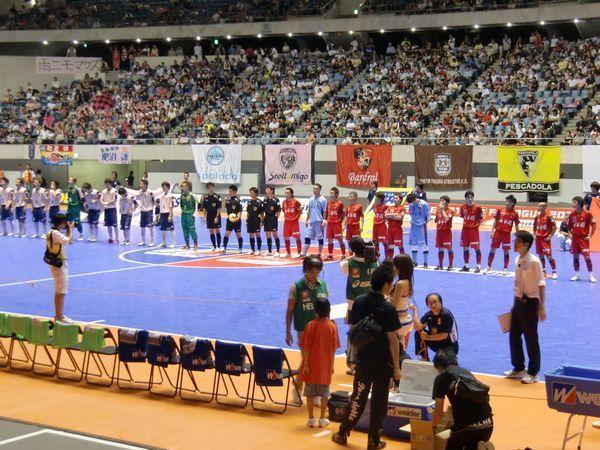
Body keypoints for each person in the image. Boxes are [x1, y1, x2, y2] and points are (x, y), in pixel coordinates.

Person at [332, 263, 401, 450]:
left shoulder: (359, 301)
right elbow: (393, 340)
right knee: (379, 402)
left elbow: (353, 329)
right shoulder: (388, 308)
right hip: (383, 364)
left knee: (358, 397)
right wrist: (396, 368)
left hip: (363, 360)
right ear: (386, 285)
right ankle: (373, 441)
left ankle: (343, 432)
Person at [505, 230, 546, 384]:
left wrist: (541, 307)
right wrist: (515, 302)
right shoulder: (517, 259)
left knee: (531, 338)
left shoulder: (535, 262)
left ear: (526, 244)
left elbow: (541, 284)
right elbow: (518, 282)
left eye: (517, 241)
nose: (514, 243)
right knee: (514, 335)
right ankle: (519, 368)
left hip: (530, 303)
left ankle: (533, 373)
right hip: (518, 302)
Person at [286, 256, 329, 400]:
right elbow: (290, 311)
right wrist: (288, 331)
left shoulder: (323, 285)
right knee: (307, 360)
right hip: (303, 330)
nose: (315, 275)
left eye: (317, 272)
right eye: (312, 272)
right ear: (306, 270)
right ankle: (298, 387)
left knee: (316, 361)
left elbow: (326, 308)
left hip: (320, 330)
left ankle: (314, 391)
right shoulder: (296, 287)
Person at [432, 350, 494, 449]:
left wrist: (434, 428)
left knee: (450, 444)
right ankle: (479, 447)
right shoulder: (466, 372)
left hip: (467, 430)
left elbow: (438, 410)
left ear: (438, 366)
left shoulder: (441, 378)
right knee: (469, 443)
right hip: (488, 425)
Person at [299, 298, 340, 428]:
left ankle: (311, 418)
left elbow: (306, 347)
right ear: (329, 310)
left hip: (311, 365)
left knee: (310, 393)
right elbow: (333, 349)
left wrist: (306, 364)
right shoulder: (332, 327)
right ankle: (322, 418)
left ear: (315, 310)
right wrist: (331, 365)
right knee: (324, 393)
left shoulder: (310, 325)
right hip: (325, 366)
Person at [340, 237, 378, 374]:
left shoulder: (348, 264)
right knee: (370, 332)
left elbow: (342, 264)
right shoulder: (375, 262)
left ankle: (354, 364)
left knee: (354, 334)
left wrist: (352, 255)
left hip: (353, 305)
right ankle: (370, 362)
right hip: (371, 304)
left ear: (352, 249)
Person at [411, 293, 459, 360]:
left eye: (435, 302)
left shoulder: (445, 315)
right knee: (418, 333)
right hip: (437, 342)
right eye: (430, 303)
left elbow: (444, 335)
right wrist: (415, 311)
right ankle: (424, 357)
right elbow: (417, 327)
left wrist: (427, 337)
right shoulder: (429, 314)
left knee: (438, 362)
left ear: (440, 303)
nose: (433, 305)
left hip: (449, 346)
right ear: (427, 305)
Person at [46, 213, 74, 322]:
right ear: (62, 223)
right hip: (59, 265)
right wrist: (71, 229)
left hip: (56, 263)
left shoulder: (51, 232)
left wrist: (68, 230)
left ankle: (58, 315)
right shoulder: (56, 233)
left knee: (59, 291)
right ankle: (59, 316)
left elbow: (67, 241)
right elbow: (69, 241)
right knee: (61, 292)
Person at [484, 195, 520, 275]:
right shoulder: (500, 210)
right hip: (497, 233)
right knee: (492, 249)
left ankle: (505, 268)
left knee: (506, 251)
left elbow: (517, 225)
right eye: (506, 201)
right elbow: (495, 221)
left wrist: (518, 236)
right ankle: (488, 266)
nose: (507, 203)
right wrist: (492, 231)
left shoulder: (515, 214)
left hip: (506, 235)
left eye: (509, 202)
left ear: (513, 203)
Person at [567, 196, 596, 282]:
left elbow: (594, 225)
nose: (573, 204)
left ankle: (591, 275)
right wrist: (569, 234)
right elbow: (569, 226)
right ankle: (577, 275)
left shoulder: (587, 214)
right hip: (575, 240)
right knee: (575, 257)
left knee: (587, 258)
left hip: (583, 240)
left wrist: (590, 236)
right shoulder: (572, 214)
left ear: (580, 204)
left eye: (574, 202)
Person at [392, 254, 414, 350]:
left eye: (394, 265)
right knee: (401, 350)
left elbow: (394, 306)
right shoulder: (407, 281)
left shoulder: (400, 284)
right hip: (405, 320)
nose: (393, 268)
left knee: (395, 351)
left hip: (399, 321)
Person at [301, 184, 327, 257]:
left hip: (319, 221)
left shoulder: (323, 200)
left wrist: (324, 220)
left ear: (320, 190)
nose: (315, 190)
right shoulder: (311, 199)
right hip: (311, 222)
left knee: (320, 238)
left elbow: (325, 211)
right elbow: (309, 210)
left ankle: (319, 253)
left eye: (316, 189)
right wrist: (307, 220)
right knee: (307, 237)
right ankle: (303, 253)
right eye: (314, 189)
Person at [460, 191, 483, 273]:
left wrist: (476, 227)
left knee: (476, 248)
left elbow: (481, 219)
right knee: (465, 247)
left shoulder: (478, 207)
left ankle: (478, 266)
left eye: (471, 197)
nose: (470, 199)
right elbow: (463, 217)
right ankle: (466, 266)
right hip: (465, 230)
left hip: (473, 230)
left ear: (473, 198)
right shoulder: (462, 207)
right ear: (465, 198)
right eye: (468, 197)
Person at [533, 202, 557, 279]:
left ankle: (554, 272)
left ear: (545, 207)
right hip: (538, 239)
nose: (538, 208)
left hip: (545, 239)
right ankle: (543, 272)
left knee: (549, 256)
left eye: (540, 206)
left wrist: (550, 236)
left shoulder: (549, 217)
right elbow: (534, 227)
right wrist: (534, 235)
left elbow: (554, 227)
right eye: (538, 206)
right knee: (540, 255)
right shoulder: (537, 217)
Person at [406, 193, 430, 268]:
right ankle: (414, 262)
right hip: (413, 225)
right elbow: (411, 213)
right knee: (414, 244)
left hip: (421, 226)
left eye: (411, 202)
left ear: (415, 199)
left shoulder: (424, 204)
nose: (410, 204)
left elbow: (428, 215)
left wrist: (424, 221)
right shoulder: (411, 204)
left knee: (423, 244)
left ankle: (425, 263)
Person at [201, 182, 222, 252]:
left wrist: (217, 217)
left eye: (212, 187)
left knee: (217, 230)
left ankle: (218, 246)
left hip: (215, 215)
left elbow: (219, 208)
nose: (211, 189)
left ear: (213, 187)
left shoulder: (217, 196)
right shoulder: (205, 197)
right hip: (209, 216)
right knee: (211, 231)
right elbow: (204, 208)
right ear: (207, 188)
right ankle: (214, 246)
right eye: (209, 188)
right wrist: (204, 217)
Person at [222, 185, 243, 253]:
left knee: (238, 235)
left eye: (230, 191)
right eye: (229, 191)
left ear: (235, 191)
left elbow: (240, 211)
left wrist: (237, 218)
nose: (229, 193)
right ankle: (224, 247)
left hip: (236, 221)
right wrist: (225, 200)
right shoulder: (228, 200)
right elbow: (223, 206)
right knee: (227, 234)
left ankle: (240, 248)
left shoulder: (238, 201)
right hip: (229, 220)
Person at [326, 187, 345, 260]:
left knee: (340, 240)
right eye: (330, 193)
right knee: (329, 240)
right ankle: (330, 255)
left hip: (337, 224)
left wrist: (341, 222)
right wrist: (325, 220)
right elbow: (326, 213)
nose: (331, 194)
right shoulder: (328, 203)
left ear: (336, 194)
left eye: (332, 193)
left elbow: (343, 214)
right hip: (329, 224)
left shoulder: (340, 203)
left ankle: (343, 255)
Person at [435, 195, 454, 271]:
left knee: (449, 248)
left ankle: (450, 265)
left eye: (443, 201)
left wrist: (442, 210)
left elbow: (447, 219)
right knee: (440, 249)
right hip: (439, 232)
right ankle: (440, 265)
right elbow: (436, 220)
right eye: (440, 200)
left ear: (447, 203)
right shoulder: (437, 211)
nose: (441, 202)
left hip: (446, 232)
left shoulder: (450, 211)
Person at [282, 187, 302, 258]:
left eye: (287, 193)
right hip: (286, 222)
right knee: (286, 237)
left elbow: (300, 211)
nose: (286, 194)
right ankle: (288, 253)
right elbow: (284, 210)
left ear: (291, 194)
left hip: (294, 222)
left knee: (297, 237)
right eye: (285, 193)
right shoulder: (284, 202)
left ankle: (299, 252)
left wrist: (297, 218)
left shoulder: (296, 202)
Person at [384, 192, 405, 259]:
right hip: (390, 229)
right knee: (390, 246)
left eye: (396, 198)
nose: (394, 199)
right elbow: (385, 216)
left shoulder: (402, 208)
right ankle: (390, 260)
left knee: (400, 246)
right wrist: (394, 214)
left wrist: (390, 216)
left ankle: (403, 259)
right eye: (394, 198)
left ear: (400, 199)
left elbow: (399, 218)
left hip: (397, 229)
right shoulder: (390, 207)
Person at [263, 185, 282, 257]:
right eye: (266, 189)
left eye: (268, 189)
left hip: (273, 218)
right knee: (268, 235)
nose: (266, 191)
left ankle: (278, 251)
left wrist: (276, 218)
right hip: (266, 218)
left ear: (271, 191)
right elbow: (263, 210)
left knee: (275, 235)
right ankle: (269, 251)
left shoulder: (276, 200)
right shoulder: (265, 199)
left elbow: (279, 210)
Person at [136, 179, 155, 247]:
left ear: (145, 185)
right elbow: (139, 200)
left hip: (149, 211)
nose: (140, 185)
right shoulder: (139, 191)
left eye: (141, 184)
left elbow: (153, 201)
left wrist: (150, 208)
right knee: (142, 226)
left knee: (150, 226)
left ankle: (152, 241)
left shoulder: (150, 192)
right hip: (142, 211)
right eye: (140, 184)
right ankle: (143, 241)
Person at [179, 181, 198, 251]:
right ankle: (187, 245)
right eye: (181, 186)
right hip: (183, 215)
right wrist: (182, 211)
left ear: (187, 187)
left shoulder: (192, 195)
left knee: (192, 230)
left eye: (183, 186)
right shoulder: (182, 195)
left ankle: (195, 244)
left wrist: (194, 213)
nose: (182, 188)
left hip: (190, 215)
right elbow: (181, 205)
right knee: (185, 229)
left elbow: (198, 204)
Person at [100, 178, 119, 244]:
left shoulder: (115, 191)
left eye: (108, 184)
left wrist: (107, 203)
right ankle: (111, 238)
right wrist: (103, 204)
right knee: (108, 225)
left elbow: (115, 200)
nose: (107, 186)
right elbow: (101, 199)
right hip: (106, 210)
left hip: (112, 209)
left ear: (111, 184)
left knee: (115, 224)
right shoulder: (104, 191)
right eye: (106, 184)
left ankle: (117, 238)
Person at [246, 187, 263, 255]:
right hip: (250, 220)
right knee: (251, 235)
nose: (250, 194)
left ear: (255, 193)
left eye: (252, 192)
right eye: (250, 192)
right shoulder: (249, 202)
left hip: (257, 220)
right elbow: (248, 212)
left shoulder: (259, 202)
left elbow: (262, 213)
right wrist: (247, 221)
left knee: (257, 234)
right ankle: (252, 249)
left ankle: (259, 250)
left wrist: (262, 222)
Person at [66, 177, 84, 242]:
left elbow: (82, 198)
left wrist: (82, 207)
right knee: (69, 221)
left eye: (70, 180)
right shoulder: (68, 188)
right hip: (70, 206)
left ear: (74, 182)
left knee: (77, 221)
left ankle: (81, 235)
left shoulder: (77, 189)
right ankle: (70, 235)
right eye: (69, 179)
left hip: (76, 207)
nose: (69, 181)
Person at [158, 181, 175, 248]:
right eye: (162, 187)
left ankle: (173, 243)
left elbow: (171, 206)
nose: (163, 188)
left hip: (168, 213)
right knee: (163, 229)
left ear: (168, 187)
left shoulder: (170, 196)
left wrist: (170, 215)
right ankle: (164, 242)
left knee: (171, 229)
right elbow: (161, 206)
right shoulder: (162, 196)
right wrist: (159, 215)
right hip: (162, 214)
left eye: (164, 187)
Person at [372, 192, 388, 258]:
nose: (375, 199)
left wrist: (385, 218)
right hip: (375, 225)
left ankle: (387, 257)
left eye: (377, 198)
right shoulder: (374, 206)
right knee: (375, 242)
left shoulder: (386, 206)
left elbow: (387, 215)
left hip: (382, 226)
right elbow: (375, 213)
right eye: (375, 198)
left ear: (381, 200)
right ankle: (377, 257)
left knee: (384, 242)